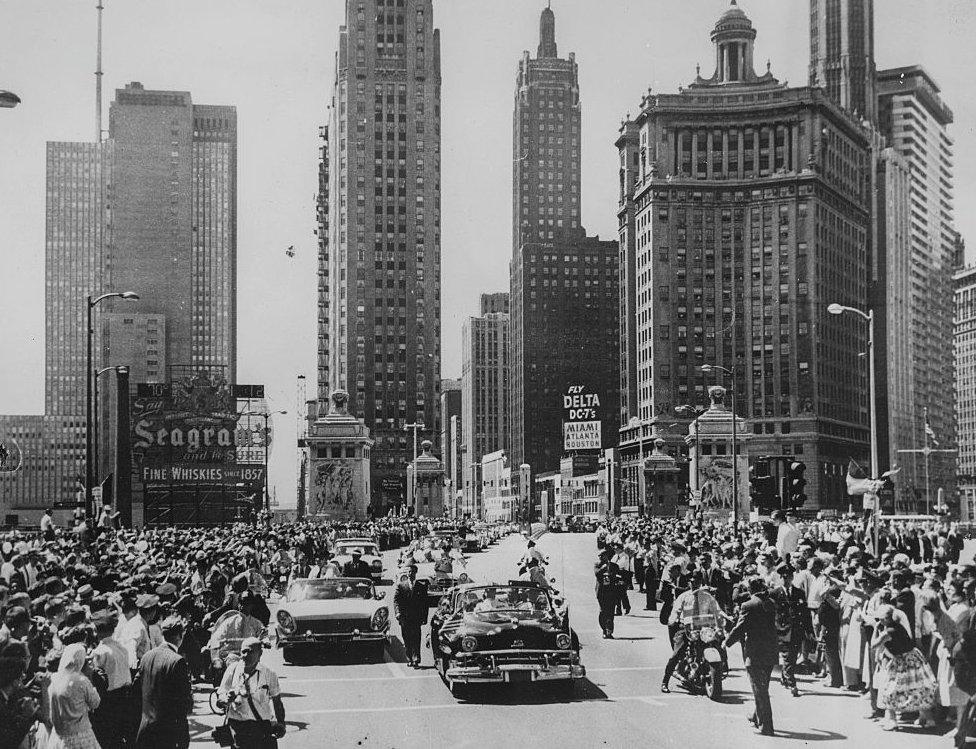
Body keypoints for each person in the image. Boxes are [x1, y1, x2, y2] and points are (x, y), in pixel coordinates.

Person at [725, 577, 779, 737]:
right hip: (770, 650)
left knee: (759, 689)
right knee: (763, 687)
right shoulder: (770, 603)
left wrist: (727, 642)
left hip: (755, 651)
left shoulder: (748, 605)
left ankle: (766, 726)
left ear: (750, 589)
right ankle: (757, 716)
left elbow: (741, 627)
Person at [872, 603, 937, 731]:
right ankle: (927, 718)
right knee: (918, 688)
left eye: (879, 619)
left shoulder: (888, 632)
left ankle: (891, 720)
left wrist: (875, 629)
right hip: (913, 659)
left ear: (885, 618)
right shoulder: (897, 626)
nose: (879, 621)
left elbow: (874, 645)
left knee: (890, 689)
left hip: (902, 662)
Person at [661, 572, 726, 693]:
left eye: (697, 581)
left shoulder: (707, 596)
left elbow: (717, 610)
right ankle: (665, 681)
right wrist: (673, 620)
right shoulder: (683, 596)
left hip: (704, 628)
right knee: (677, 653)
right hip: (687, 629)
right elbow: (675, 611)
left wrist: (723, 618)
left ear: (700, 582)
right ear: (689, 583)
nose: (694, 584)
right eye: (692, 581)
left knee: (719, 644)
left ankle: (721, 668)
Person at [135, 616, 194, 749]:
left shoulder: (146, 657)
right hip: (168, 733)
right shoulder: (177, 661)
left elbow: (136, 690)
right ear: (180, 635)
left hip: (145, 729)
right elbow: (183, 702)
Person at [218, 637, 286, 749]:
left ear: (260, 654)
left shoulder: (269, 674)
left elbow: (277, 702)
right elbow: (221, 696)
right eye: (244, 651)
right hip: (238, 727)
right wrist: (226, 699)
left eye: (250, 652)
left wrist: (281, 723)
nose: (246, 655)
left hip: (262, 727)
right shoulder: (233, 670)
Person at [47, 642, 101, 749]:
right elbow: (95, 703)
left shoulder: (54, 679)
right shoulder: (81, 680)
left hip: (59, 736)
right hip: (81, 734)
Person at [90, 611, 132, 749]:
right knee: (120, 736)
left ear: (97, 631)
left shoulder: (100, 652)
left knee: (107, 737)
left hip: (108, 700)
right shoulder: (121, 648)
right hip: (124, 697)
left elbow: (96, 678)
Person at [0, 655, 41, 749]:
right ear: (14, 681)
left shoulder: (5, 697)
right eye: (21, 677)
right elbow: (10, 742)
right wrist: (28, 716)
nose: (23, 678)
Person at [393, 564, 428, 668]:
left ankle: (416, 658)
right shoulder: (401, 585)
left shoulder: (421, 586)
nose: (410, 573)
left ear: (415, 573)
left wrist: (424, 617)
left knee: (416, 638)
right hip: (405, 617)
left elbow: (425, 603)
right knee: (407, 638)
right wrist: (398, 613)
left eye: (412, 572)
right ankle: (409, 658)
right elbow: (396, 601)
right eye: (409, 571)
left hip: (416, 617)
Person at [594, 548, 621, 639]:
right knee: (603, 611)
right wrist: (603, 568)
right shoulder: (597, 565)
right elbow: (597, 573)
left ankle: (609, 631)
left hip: (611, 591)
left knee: (610, 612)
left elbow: (619, 576)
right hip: (601, 592)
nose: (601, 558)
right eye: (600, 556)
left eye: (603, 556)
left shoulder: (614, 566)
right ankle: (604, 630)